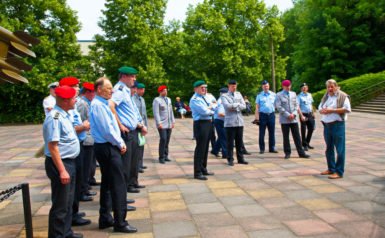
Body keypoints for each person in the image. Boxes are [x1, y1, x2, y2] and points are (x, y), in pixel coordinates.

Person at [89, 77, 137, 233]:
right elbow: (107, 130)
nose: (112, 90)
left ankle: (105, 217)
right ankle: (120, 222)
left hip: (107, 146)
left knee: (108, 183)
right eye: (109, 88)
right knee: (118, 184)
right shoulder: (98, 106)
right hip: (107, 147)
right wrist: (120, 143)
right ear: (98, 89)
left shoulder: (101, 104)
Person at [43, 85, 83, 238]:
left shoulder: (65, 114)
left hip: (69, 162)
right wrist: (62, 170)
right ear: (65, 101)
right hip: (61, 163)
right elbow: (53, 147)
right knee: (60, 205)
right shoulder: (55, 117)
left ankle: (66, 233)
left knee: (68, 202)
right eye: (74, 98)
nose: (76, 100)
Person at [59, 77, 92, 228]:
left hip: (77, 147)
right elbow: (66, 131)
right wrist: (83, 127)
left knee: (76, 186)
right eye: (74, 86)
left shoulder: (72, 106)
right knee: (66, 193)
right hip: (68, 154)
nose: (78, 89)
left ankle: (73, 213)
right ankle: (68, 221)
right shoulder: (58, 112)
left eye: (78, 86)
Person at [110, 66, 147, 194]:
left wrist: (140, 125)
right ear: (124, 76)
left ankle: (130, 184)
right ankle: (122, 194)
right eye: (132, 76)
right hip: (125, 132)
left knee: (133, 161)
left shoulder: (125, 90)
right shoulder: (119, 90)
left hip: (133, 130)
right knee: (125, 164)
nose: (134, 79)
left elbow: (131, 112)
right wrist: (120, 125)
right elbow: (111, 106)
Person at [318, 79, 351, 179]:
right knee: (329, 148)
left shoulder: (343, 96)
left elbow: (347, 109)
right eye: (328, 87)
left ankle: (339, 172)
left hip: (337, 125)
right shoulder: (326, 96)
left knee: (340, 150)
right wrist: (322, 110)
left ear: (336, 86)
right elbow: (320, 107)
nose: (330, 89)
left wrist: (331, 110)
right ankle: (331, 168)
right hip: (327, 125)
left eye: (332, 86)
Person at [275, 80, 310, 159]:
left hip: (293, 119)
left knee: (297, 136)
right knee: (286, 137)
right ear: (283, 86)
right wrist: (287, 115)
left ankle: (301, 153)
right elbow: (278, 106)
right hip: (285, 119)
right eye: (286, 86)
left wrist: (294, 114)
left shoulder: (293, 94)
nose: (288, 87)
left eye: (289, 86)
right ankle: (287, 152)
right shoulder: (279, 95)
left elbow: (297, 105)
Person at [190, 80, 215, 180]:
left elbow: (215, 103)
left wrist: (211, 107)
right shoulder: (195, 99)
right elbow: (204, 111)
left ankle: (203, 168)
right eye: (202, 87)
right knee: (200, 148)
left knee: (205, 148)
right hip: (201, 124)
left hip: (208, 123)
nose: (204, 89)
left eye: (205, 87)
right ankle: (197, 172)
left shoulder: (206, 97)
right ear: (196, 89)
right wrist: (212, 108)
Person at [76, 82, 97, 198]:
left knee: (88, 166)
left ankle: (86, 187)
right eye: (93, 92)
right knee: (85, 167)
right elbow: (81, 122)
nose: (94, 94)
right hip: (86, 139)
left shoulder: (88, 102)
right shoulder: (82, 104)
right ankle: (82, 191)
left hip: (89, 138)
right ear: (88, 92)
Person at [221, 79, 249, 166]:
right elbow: (227, 106)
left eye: (235, 86)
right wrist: (237, 105)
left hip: (239, 121)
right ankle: (230, 159)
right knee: (230, 142)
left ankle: (240, 158)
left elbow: (244, 106)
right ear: (228, 86)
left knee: (239, 142)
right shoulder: (224, 95)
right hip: (230, 122)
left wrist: (234, 105)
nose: (234, 87)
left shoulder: (238, 94)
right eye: (232, 86)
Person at [153, 85, 175, 164]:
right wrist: (159, 123)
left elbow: (171, 111)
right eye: (163, 90)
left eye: (166, 90)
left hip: (169, 123)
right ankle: (161, 157)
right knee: (163, 139)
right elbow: (156, 112)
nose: (165, 92)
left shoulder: (168, 99)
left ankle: (166, 155)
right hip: (162, 124)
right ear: (160, 92)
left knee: (167, 140)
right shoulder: (157, 100)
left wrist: (173, 121)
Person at [254, 80, 278, 154]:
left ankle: (272, 148)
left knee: (272, 132)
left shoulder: (274, 94)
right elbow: (257, 107)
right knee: (262, 133)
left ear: (269, 86)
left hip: (271, 115)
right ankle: (262, 149)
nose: (265, 87)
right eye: (264, 86)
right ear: (262, 87)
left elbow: (277, 104)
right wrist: (256, 118)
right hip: (263, 115)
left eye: (267, 86)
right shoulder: (259, 95)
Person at [133, 82, 148, 172]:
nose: (143, 91)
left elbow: (144, 114)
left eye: (144, 89)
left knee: (141, 145)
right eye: (141, 89)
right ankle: (136, 165)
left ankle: (140, 164)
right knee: (137, 146)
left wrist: (146, 126)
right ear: (137, 89)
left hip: (142, 125)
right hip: (136, 125)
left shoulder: (142, 99)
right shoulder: (133, 99)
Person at [298, 83, 316, 151]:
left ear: (307, 88)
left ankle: (307, 142)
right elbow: (298, 107)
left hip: (309, 114)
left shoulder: (309, 95)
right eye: (303, 87)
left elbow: (311, 104)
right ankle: (304, 144)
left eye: (305, 87)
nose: (304, 88)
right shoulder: (299, 96)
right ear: (301, 89)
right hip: (303, 114)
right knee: (303, 129)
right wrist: (301, 115)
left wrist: (313, 113)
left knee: (311, 128)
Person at [211, 87, 228, 159]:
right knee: (224, 137)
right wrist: (229, 115)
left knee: (221, 136)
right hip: (220, 121)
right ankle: (225, 153)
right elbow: (220, 113)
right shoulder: (221, 101)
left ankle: (215, 150)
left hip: (221, 121)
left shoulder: (221, 100)